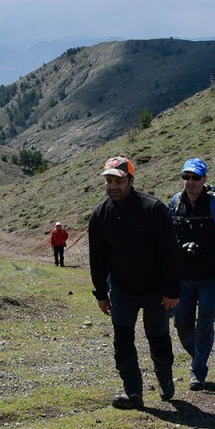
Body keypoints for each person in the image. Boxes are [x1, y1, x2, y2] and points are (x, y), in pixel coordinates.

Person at [88, 156, 180, 409]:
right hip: (121, 290)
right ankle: (133, 393)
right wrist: (100, 293)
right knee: (122, 341)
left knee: (159, 338)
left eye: (118, 180)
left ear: (130, 179)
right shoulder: (99, 214)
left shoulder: (153, 209)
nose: (113, 186)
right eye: (108, 180)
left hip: (156, 291)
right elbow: (97, 258)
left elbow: (169, 252)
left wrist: (172, 290)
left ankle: (165, 378)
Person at [168, 158, 215, 390]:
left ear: (204, 179)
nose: (190, 181)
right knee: (182, 324)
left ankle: (198, 371)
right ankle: (199, 355)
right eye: (186, 177)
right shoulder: (175, 203)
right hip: (183, 278)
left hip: (211, 277)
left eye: (195, 177)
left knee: (205, 323)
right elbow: (167, 242)